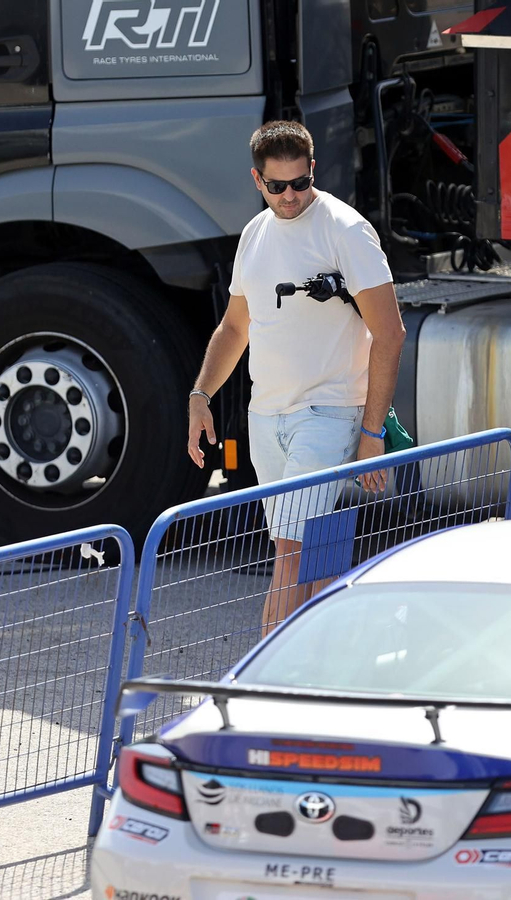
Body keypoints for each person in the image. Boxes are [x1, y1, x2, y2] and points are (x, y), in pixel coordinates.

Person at [186, 120, 405, 632]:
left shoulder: (346, 230)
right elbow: (235, 326)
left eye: (300, 183)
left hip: (328, 413)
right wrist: (201, 394)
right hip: (266, 418)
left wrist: (371, 434)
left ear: (313, 170)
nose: (290, 196)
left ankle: (262, 683)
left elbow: (390, 334)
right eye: (277, 186)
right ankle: (324, 675)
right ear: (256, 181)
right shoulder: (255, 234)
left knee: (289, 551)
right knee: (317, 556)